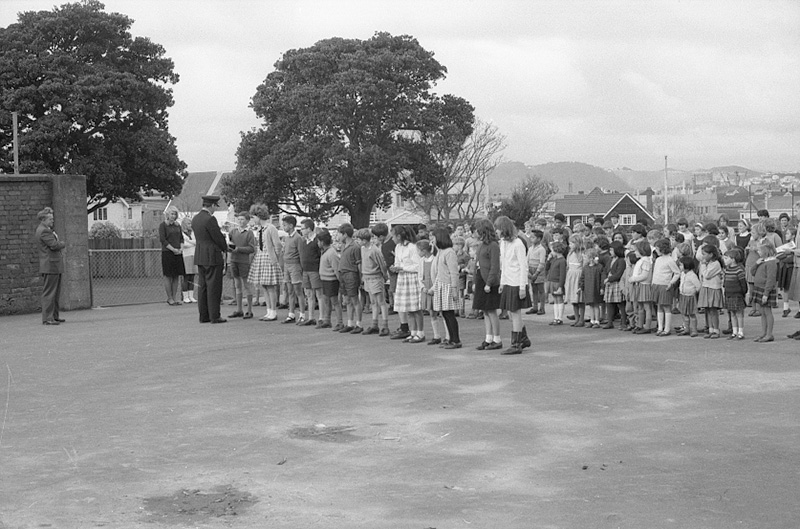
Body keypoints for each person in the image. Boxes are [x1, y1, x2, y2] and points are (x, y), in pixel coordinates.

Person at [494, 215, 532, 354]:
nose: (496, 231)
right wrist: (502, 282)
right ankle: (524, 338)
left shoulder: (518, 244)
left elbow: (523, 266)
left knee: (515, 313)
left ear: (504, 229)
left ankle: (516, 344)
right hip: (508, 281)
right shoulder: (503, 243)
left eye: (498, 229)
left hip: (517, 282)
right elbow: (504, 265)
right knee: (510, 313)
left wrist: (522, 287)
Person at [191, 195, 229, 323]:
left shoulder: (195, 218)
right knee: (214, 287)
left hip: (200, 255)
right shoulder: (210, 219)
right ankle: (214, 315)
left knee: (203, 287)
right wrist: (225, 247)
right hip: (212, 256)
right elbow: (217, 237)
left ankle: (204, 315)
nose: (215, 210)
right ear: (212, 205)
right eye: (215, 207)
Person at [248, 205, 283, 321]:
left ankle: (273, 311)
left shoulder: (270, 228)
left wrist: (274, 258)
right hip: (261, 257)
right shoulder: (260, 229)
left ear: (259, 216)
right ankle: (268, 311)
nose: (253, 220)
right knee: (264, 285)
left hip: (269, 258)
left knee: (270, 286)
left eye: (253, 217)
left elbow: (278, 245)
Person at [472, 218, 503, 349]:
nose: (476, 232)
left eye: (478, 230)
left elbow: (495, 266)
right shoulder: (481, 245)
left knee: (491, 311)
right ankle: (488, 338)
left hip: (489, 281)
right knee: (485, 311)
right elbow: (477, 264)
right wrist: (475, 281)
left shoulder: (493, 245)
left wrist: (489, 283)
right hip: (480, 278)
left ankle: (497, 339)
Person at [430, 227, 462, 349]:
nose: (432, 240)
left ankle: (456, 339)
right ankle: (450, 338)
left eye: (434, 237)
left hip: (448, 285)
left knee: (450, 314)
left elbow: (454, 272)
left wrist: (454, 288)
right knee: (444, 314)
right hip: (441, 285)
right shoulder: (440, 252)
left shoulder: (449, 252)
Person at [390, 225, 421, 341]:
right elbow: (397, 262)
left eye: (393, 236)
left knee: (415, 308)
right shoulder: (398, 247)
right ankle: (413, 332)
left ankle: (420, 332)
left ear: (399, 236)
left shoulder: (412, 247)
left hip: (412, 278)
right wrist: (395, 267)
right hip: (402, 278)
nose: (392, 238)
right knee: (407, 308)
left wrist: (403, 268)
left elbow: (417, 266)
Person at [36, 207, 66, 325]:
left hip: (53, 265)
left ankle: (54, 316)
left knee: (55, 292)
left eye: (52, 218)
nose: (52, 221)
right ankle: (48, 318)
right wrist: (62, 243)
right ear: (43, 219)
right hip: (50, 265)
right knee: (50, 293)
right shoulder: (44, 231)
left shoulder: (45, 230)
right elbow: (54, 245)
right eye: (50, 219)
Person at [358, 228, 390, 336]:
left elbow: (382, 264)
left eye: (359, 239)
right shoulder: (362, 249)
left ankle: (385, 326)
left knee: (381, 301)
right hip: (367, 277)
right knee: (373, 302)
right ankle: (374, 325)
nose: (358, 241)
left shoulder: (375, 250)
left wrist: (384, 276)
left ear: (364, 240)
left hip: (375, 277)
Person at [227, 211, 257, 319]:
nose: (240, 221)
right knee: (237, 284)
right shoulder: (233, 231)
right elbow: (229, 244)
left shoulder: (249, 233)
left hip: (244, 261)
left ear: (247, 221)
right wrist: (229, 248)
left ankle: (249, 310)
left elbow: (252, 248)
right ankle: (239, 309)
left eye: (242, 219)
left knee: (246, 285)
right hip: (234, 260)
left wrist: (238, 249)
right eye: (239, 219)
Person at [749, 240, 779, 343]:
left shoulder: (771, 263)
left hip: (765, 289)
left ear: (766, 251)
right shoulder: (762, 261)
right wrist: (756, 264)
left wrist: (766, 293)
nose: (758, 252)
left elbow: (771, 279)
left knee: (767, 311)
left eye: (760, 250)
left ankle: (769, 334)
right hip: (759, 288)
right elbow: (752, 272)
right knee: (762, 312)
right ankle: (763, 332)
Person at [336, 223, 363, 334]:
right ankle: (350, 323)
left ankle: (359, 324)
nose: (338, 236)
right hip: (343, 274)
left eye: (339, 234)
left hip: (351, 274)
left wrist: (361, 277)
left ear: (345, 234)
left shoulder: (355, 247)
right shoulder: (343, 246)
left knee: (354, 299)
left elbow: (359, 264)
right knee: (347, 300)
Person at [651, 239, 680, 336]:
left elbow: (677, 273)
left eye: (657, 249)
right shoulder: (658, 260)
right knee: (659, 306)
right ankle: (660, 327)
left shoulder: (670, 260)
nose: (656, 251)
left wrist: (671, 283)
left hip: (665, 285)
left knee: (667, 307)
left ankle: (667, 329)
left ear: (662, 249)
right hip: (656, 284)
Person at [281, 216, 306, 324]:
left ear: (291, 225)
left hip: (295, 265)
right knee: (290, 290)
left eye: (285, 225)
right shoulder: (287, 238)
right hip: (287, 265)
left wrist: (302, 268)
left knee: (298, 291)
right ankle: (291, 314)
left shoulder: (298, 238)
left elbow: (301, 254)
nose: (283, 227)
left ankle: (302, 314)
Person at [298, 219, 323, 326]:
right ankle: (311, 317)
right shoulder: (304, 241)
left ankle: (321, 318)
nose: (301, 231)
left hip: (315, 270)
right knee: (309, 294)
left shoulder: (317, 241)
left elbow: (320, 255)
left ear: (309, 229)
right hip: (305, 270)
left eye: (302, 228)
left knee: (319, 294)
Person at [159, 206, 185, 306]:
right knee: (168, 275)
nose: (173, 216)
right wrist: (173, 249)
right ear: (168, 214)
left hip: (178, 252)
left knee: (176, 275)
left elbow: (181, 239)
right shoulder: (163, 225)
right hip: (167, 252)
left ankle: (174, 298)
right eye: (172, 214)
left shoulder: (178, 226)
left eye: (175, 214)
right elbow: (163, 240)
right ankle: (169, 298)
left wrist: (181, 249)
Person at [417, 239, 442, 344]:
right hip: (426, 289)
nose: (417, 252)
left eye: (418, 250)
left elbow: (438, 275)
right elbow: (420, 276)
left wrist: (433, 288)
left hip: (433, 288)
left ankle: (445, 335)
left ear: (423, 250)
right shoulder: (421, 261)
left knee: (440, 312)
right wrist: (422, 287)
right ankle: (436, 335)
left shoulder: (435, 260)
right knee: (431, 312)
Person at [698, 243, 725, 339]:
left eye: (704, 254)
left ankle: (716, 330)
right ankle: (710, 329)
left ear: (711, 254)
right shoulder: (708, 263)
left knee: (713, 311)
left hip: (713, 288)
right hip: (706, 287)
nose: (703, 256)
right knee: (708, 310)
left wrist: (703, 265)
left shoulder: (715, 264)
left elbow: (707, 275)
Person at [723, 247, 748, 340]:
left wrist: (743, 293)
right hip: (729, 294)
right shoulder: (727, 270)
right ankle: (734, 332)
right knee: (732, 313)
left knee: (739, 314)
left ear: (733, 259)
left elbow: (743, 284)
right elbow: (725, 283)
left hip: (737, 295)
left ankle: (740, 332)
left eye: (726, 258)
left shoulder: (739, 270)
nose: (724, 260)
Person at [629, 240, 653, 334]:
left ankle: (647, 326)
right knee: (640, 306)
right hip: (639, 285)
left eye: (636, 250)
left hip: (644, 285)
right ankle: (640, 325)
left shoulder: (646, 261)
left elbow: (644, 275)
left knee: (646, 307)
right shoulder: (641, 260)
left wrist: (634, 279)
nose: (635, 252)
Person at [603, 241, 627, 330]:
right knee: (609, 303)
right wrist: (605, 279)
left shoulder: (621, 261)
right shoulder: (610, 260)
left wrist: (609, 279)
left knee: (620, 304)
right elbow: (605, 270)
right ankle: (609, 322)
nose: (610, 252)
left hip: (617, 283)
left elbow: (619, 273)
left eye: (612, 250)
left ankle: (624, 322)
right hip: (609, 284)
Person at [565, 234, 586, 326]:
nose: (570, 245)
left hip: (578, 277)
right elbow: (568, 266)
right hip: (571, 277)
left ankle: (581, 319)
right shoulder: (570, 254)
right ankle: (576, 319)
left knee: (580, 300)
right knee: (574, 300)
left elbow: (584, 267)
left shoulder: (582, 254)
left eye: (572, 243)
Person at [676, 256, 701, 337]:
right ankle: (686, 329)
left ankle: (694, 330)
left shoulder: (692, 275)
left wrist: (693, 292)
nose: (679, 267)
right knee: (684, 314)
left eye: (681, 265)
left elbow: (698, 286)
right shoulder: (682, 274)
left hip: (690, 297)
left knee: (692, 314)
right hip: (683, 296)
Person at [580, 248, 603, 328]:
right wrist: (581, 286)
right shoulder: (585, 267)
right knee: (591, 305)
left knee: (596, 305)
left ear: (591, 258)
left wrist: (602, 287)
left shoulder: (599, 267)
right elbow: (582, 278)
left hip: (596, 288)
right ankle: (592, 320)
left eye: (586, 257)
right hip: (588, 288)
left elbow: (602, 278)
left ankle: (597, 321)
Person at [547, 241, 568, 326]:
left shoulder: (562, 261)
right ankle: (556, 317)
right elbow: (546, 267)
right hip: (552, 281)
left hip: (558, 282)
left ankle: (560, 318)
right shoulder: (554, 259)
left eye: (552, 250)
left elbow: (562, 274)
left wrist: (560, 286)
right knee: (555, 300)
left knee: (559, 299)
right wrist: (548, 259)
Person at [526, 229, 547, 316]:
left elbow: (542, 262)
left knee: (541, 289)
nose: (531, 239)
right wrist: (528, 271)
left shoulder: (541, 249)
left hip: (538, 270)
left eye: (533, 237)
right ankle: (535, 307)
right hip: (531, 269)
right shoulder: (530, 248)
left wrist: (537, 273)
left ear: (539, 239)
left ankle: (542, 307)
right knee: (534, 289)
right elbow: (527, 260)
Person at [180, 217, 198, 304]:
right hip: (185, 256)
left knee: (192, 276)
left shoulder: (193, 233)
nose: (190, 225)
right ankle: (185, 296)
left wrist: (189, 241)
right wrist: (191, 242)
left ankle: (191, 296)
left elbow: (196, 242)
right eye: (188, 223)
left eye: (191, 223)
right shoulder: (181, 233)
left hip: (193, 255)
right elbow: (184, 244)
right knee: (186, 277)